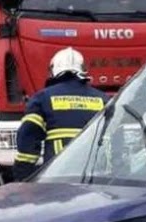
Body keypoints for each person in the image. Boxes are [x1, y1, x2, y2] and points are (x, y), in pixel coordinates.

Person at [13, 47, 109, 180]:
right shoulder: (103, 99)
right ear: (83, 69)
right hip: (96, 175)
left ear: (53, 70)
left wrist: (22, 175)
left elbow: (28, 136)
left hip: (58, 175)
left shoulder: (42, 98)